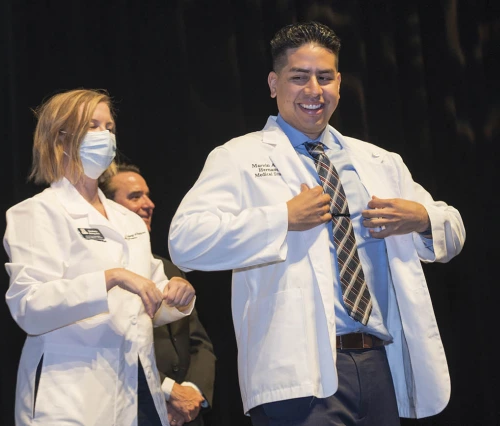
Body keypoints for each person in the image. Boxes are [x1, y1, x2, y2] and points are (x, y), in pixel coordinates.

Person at [168, 22, 465, 426]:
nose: (314, 90)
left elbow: (453, 228)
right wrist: (282, 219)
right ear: (274, 84)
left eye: (325, 77)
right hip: (297, 371)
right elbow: (186, 242)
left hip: (379, 362)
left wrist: (421, 218)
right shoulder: (237, 157)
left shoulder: (378, 161)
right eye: (299, 77)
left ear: (339, 84)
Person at [3, 88, 196, 426]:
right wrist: (111, 277)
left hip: (137, 389)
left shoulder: (128, 221)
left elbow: (151, 299)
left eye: (109, 127)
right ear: (60, 139)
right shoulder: (36, 213)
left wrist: (177, 294)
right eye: (93, 126)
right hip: (70, 396)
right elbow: (29, 306)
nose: (105, 136)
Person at [101, 164, 216, 426]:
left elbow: (199, 343)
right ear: (107, 208)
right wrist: (167, 390)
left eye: (148, 195)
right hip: (133, 407)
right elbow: (110, 345)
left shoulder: (168, 269)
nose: (149, 204)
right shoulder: (103, 274)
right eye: (135, 196)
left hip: (185, 415)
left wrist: (192, 392)